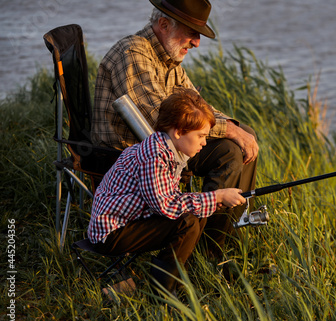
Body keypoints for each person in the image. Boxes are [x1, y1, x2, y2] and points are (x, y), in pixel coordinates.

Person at [91, 0, 259, 257]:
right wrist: (230, 132)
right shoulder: (132, 53)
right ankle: (208, 250)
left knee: (244, 134)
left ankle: (224, 235)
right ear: (164, 24)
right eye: (192, 33)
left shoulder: (168, 60)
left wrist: (235, 128)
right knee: (229, 150)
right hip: (134, 155)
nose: (197, 43)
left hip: (160, 144)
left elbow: (198, 108)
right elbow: (162, 120)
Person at [88, 88, 246, 294]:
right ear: (179, 132)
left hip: (133, 221)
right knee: (187, 221)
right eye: (200, 136)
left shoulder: (168, 150)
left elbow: (169, 199)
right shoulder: (154, 156)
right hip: (111, 234)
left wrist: (211, 201)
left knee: (196, 213)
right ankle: (164, 294)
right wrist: (216, 195)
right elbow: (166, 206)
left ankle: (179, 276)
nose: (204, 142)